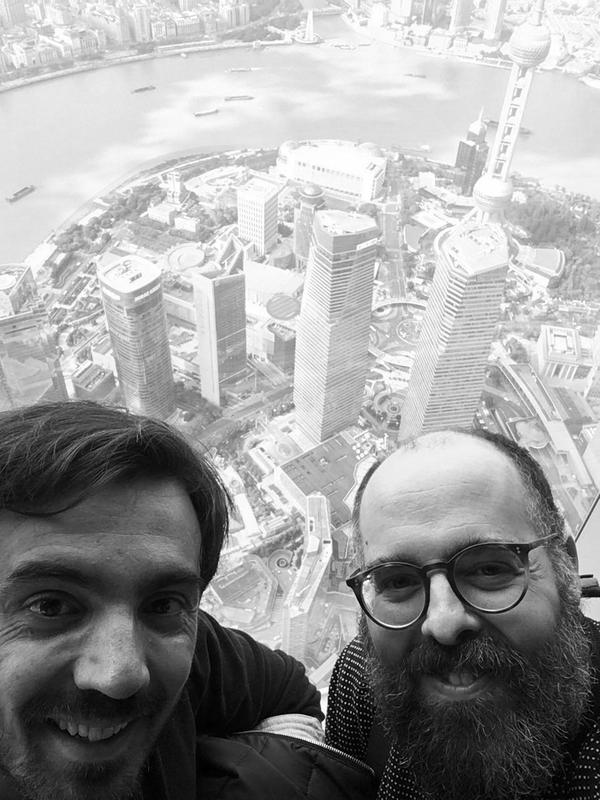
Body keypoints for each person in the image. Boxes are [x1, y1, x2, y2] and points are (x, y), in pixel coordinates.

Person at [0, 400, 376, 800]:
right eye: (50, 606)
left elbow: (287, 691)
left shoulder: (195, 653)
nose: (121, 675)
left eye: (162, 604)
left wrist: (259, 782)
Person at [325, 429, 600, 800]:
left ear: (565, 564)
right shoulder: (359, 681)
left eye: (489, 569)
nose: (444, 622)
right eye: (398, 580)